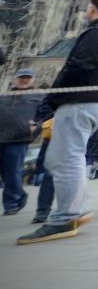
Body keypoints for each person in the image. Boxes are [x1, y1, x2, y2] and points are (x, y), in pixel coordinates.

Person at [18, 0, 98, 245]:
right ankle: (76, 209)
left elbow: (78, 64)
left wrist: (53, 97)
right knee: (73, 157)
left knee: (62, 158)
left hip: (79, 101)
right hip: (97, 102)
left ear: (94, 8)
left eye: (89, 6)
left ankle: (64, 217)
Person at [1, 70, 48, 216]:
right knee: (7, 173)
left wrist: (37, 127)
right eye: (21, 78)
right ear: (15, 79)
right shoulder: (5, 95)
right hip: (1, 135)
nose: (24, 80)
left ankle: (12, 203)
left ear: (33, 80)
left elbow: (46, 115)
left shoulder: (40, 96)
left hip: (19, 138)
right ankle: (19, 194)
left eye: (28, 78)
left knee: (12, 171)